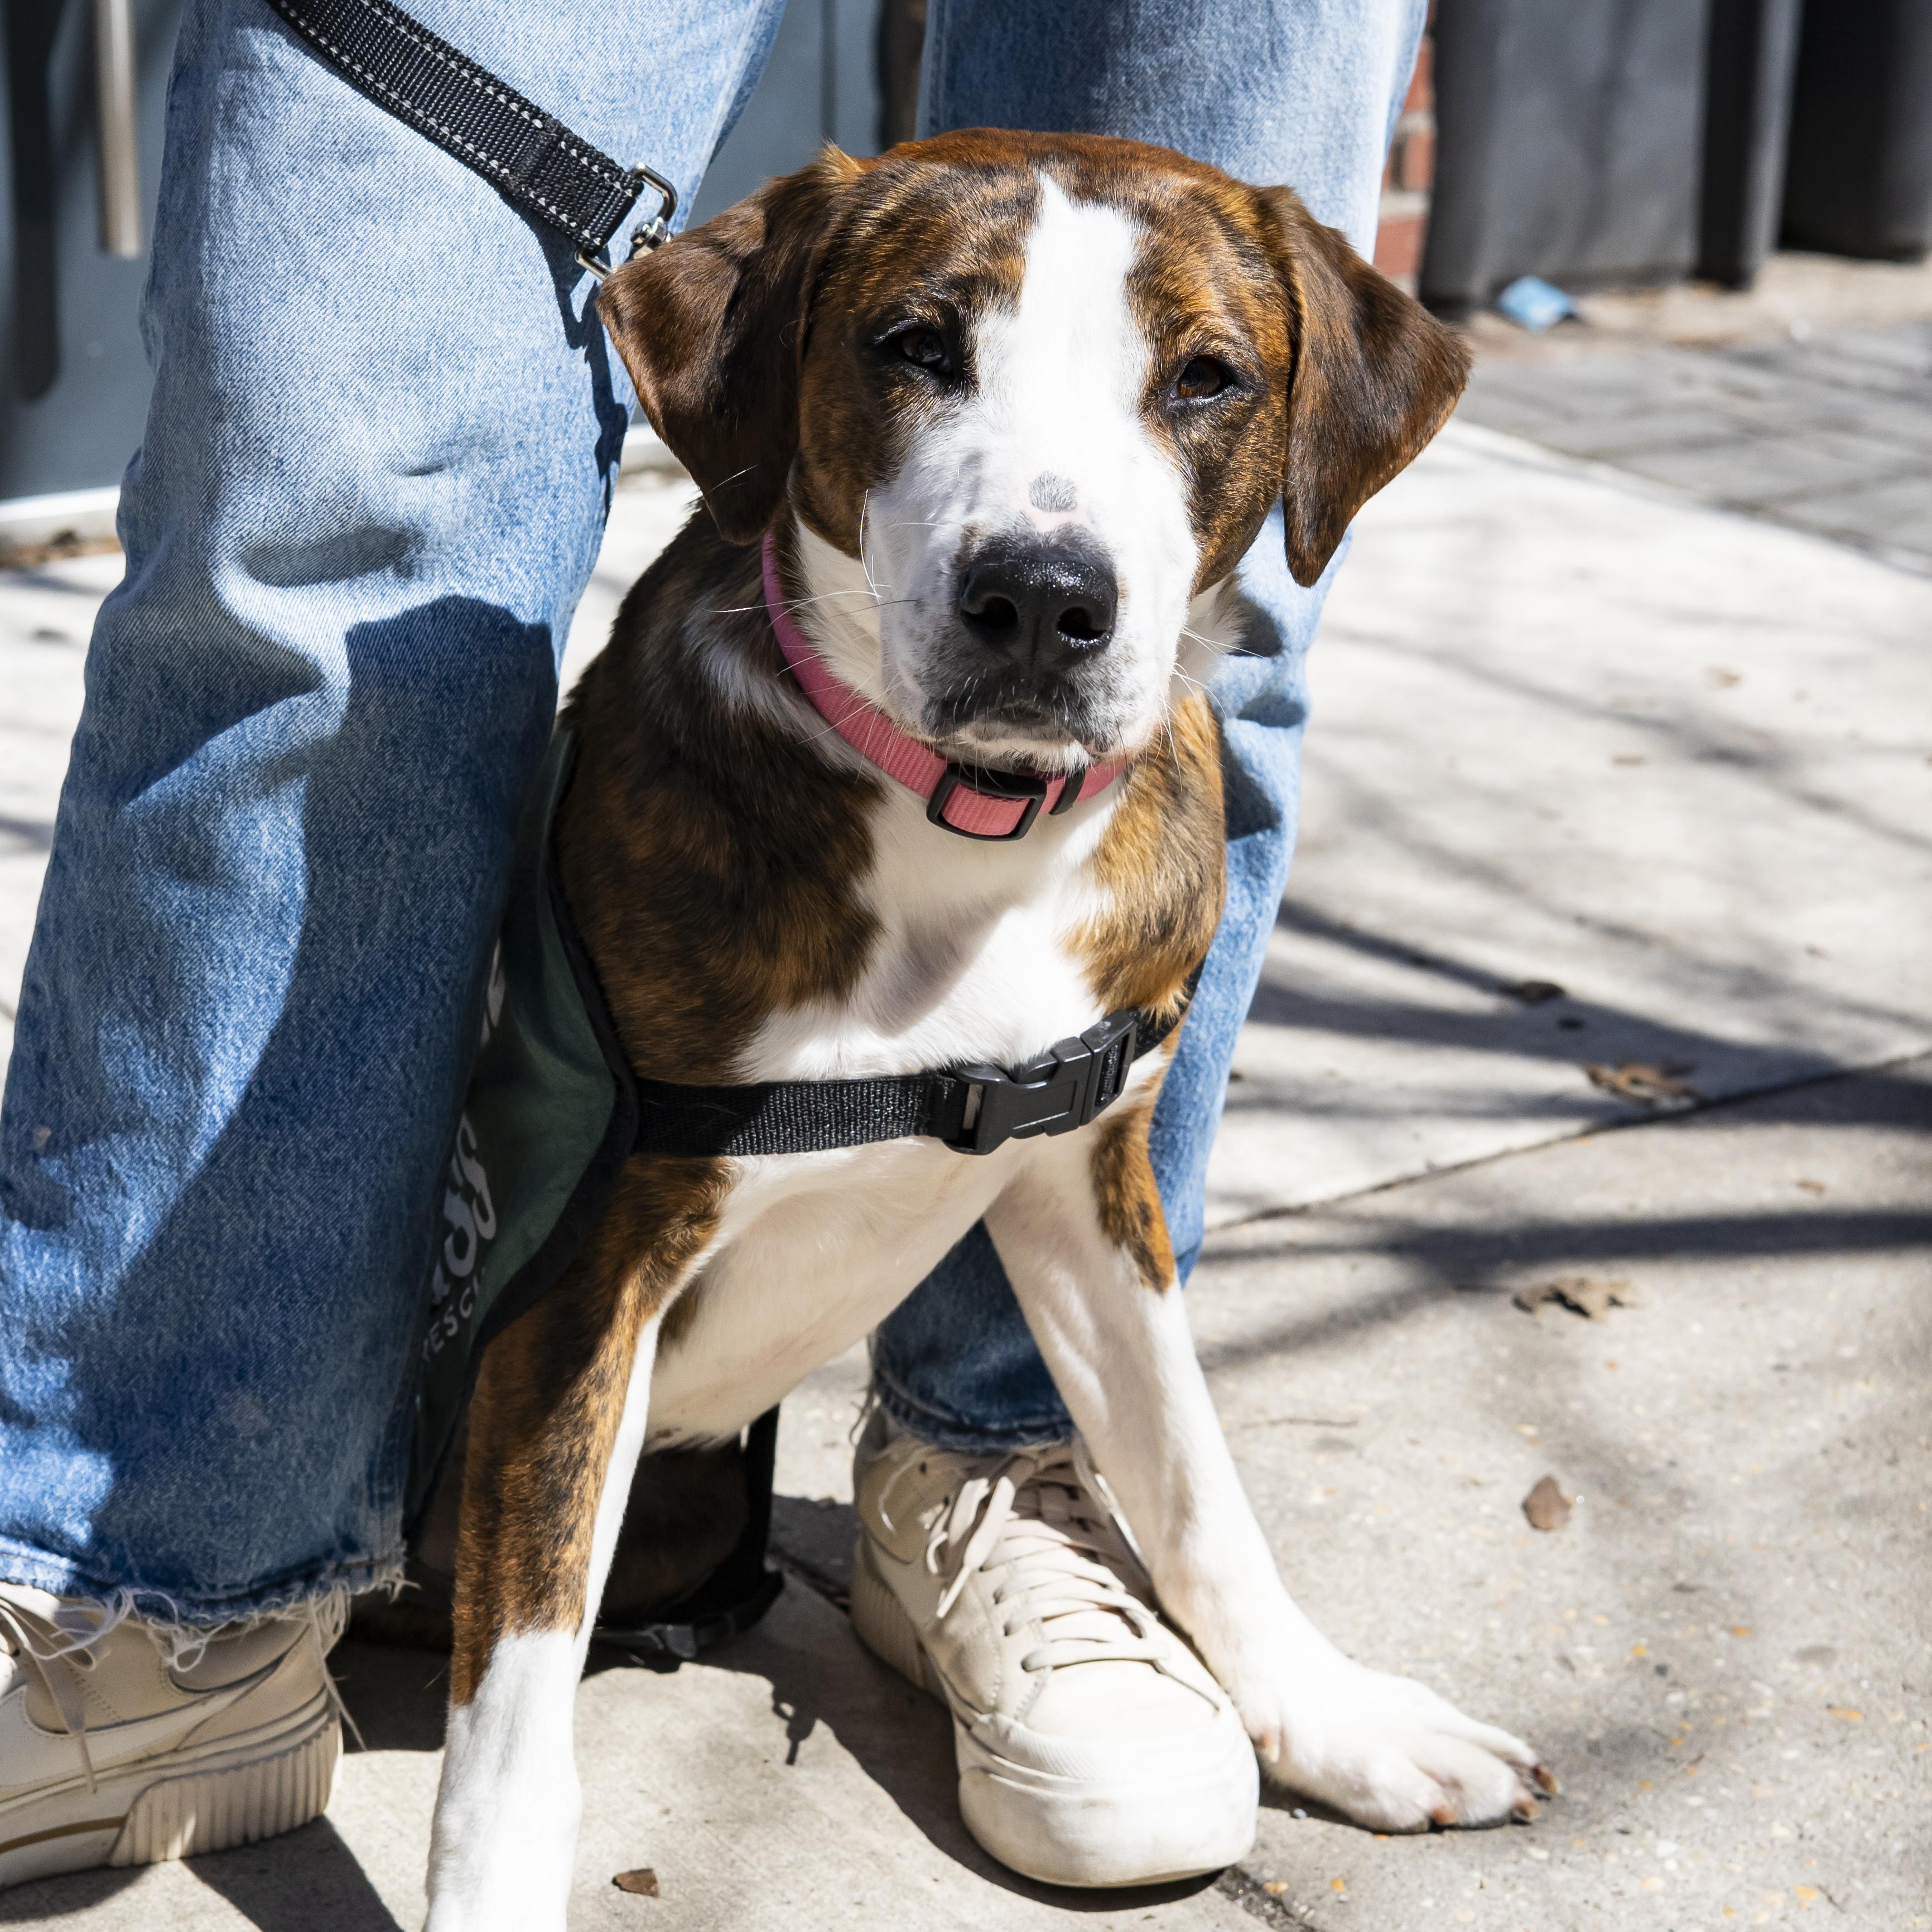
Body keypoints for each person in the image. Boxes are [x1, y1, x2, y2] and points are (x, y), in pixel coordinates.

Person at [0, 0, 1427, 1892]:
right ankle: (158, 1587)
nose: (1038, 555)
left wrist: (1282, 1671)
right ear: (778, 378)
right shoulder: (691, 827)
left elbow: (1097, 1205)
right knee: (323, 533)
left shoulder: (1151, 819)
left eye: (1197, 385)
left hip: (1041, 919)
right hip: (555, 1332)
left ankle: (1005, 1490)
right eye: (927, 355)